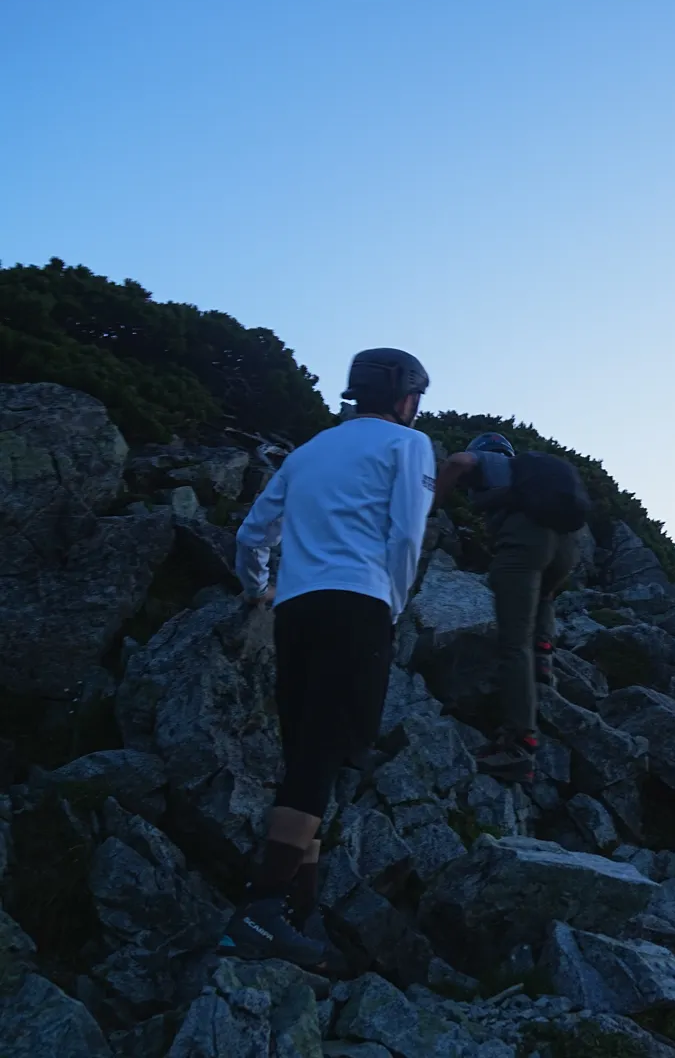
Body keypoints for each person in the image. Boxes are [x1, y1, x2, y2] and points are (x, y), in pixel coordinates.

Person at [222, 347, 435, 968]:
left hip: (296, 609)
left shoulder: (308, 450)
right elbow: (406, 534)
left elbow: (250, 533)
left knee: (305, 757)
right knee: (326, 752)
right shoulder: (408, 446)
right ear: (405, 396)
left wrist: (257, 585)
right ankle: (260, 913)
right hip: (359, 603)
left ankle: (298, 912)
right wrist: (390, 603)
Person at [434, 431, 588, 783]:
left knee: (512, 641)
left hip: (524, 540)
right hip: (566, 548)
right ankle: (544, 658)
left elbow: (458, 462)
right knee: (544, 595)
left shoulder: (490, 460)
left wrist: (434, 502)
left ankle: (519, 743)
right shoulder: (529, 475)